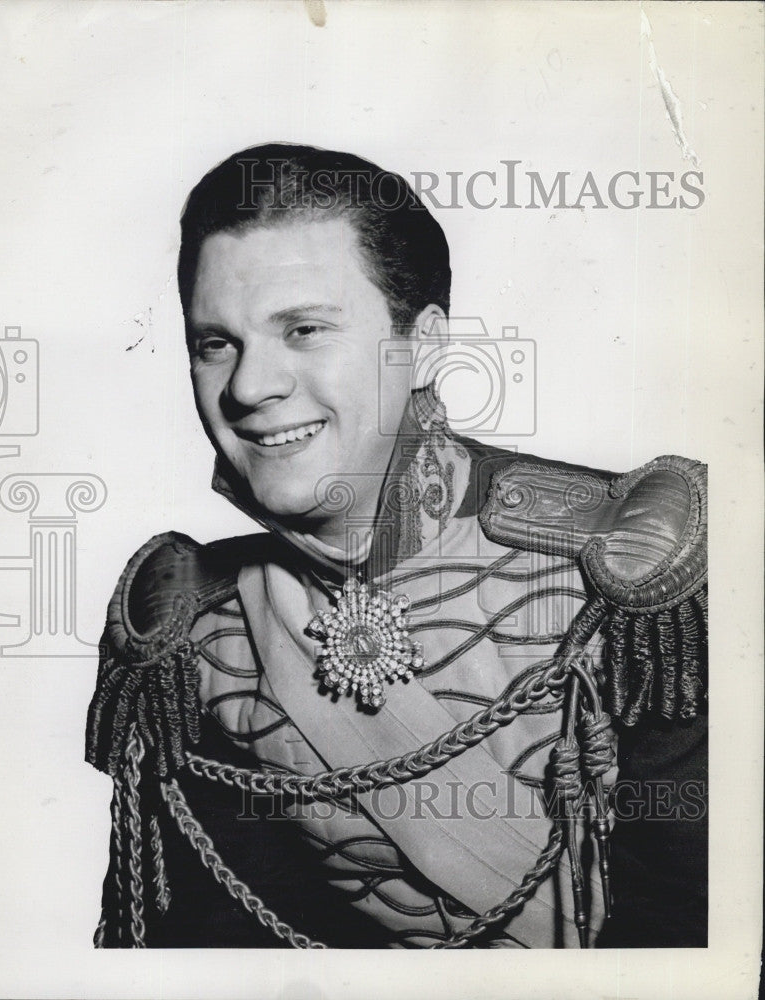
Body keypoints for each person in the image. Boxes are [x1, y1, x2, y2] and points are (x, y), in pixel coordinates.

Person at [86, 143, 707, 949]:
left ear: (424, 344)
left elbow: (693, 937)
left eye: (304, 330)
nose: (247, 387)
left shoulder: (634, 572)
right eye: (215, 343)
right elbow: (201, 952)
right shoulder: (187, 631)